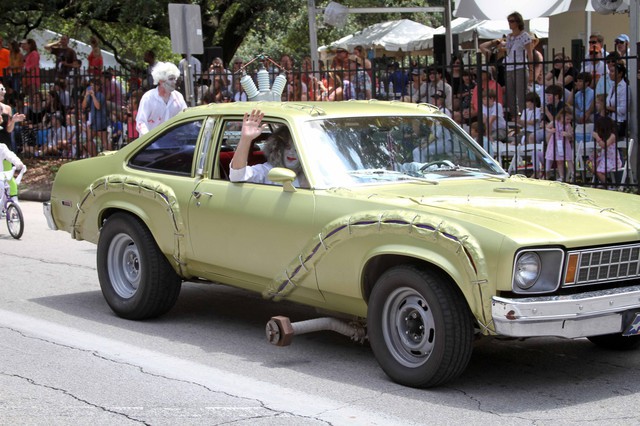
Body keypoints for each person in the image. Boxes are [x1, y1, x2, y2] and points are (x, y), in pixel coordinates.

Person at [229, 109, 307, 187]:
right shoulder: (268, 170)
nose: (291, 153)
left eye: (297, 149)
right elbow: (237, 176)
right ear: (278, 148)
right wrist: (245, 139)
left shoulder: (312, 172)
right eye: (287, 146)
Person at [136, 62, 187, 135]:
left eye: (175, 79)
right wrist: (149, 140)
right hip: (152, 144)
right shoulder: (149, 98)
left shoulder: (178, 97)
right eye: (171, 79)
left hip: (173, 142)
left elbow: (184, 118)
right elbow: (141, 122)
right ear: (161, 81)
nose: (174, 82)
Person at [503, 12, 534, 118]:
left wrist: (531, 71)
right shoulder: (509, 36)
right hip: (509, 68)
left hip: (520, 67)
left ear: (518, 22)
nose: (510, 23)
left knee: (521, 96)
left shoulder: (524, 36)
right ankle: (516, 119)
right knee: (510, 97)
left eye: (512, 21)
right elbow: (507, 51)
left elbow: (529, 54)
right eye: (509, 21)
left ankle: (524, 120)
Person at [544, 104, 574, 181]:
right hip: (555, 143)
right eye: (567, 119)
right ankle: (561, 176)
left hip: (564, 144)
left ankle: (573, 173)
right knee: (559, 160)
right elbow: (546, 127)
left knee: (568, 159)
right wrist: (551, 130)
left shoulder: (568, 125)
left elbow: (571, 134)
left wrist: (567, 134)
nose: (569, 121)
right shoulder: (555, 122)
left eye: (570, 120)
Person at [591, 115, 622, 186]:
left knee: (598, 171)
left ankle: (607, 185)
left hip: (612, 160)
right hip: (604, 158)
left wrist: (597, 137)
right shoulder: (603, 137)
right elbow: (600, 148)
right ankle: (602, 182)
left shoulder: (612, 136)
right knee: (593, 167)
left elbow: (604, 145)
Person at [82, 78, 108, 155]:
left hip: (101, 121)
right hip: (93, 121)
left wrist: (93, 96)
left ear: (98, 87)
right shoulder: (88, 94)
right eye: (91, 85)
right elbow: (83, 106)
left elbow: (98, 107)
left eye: (94, 86)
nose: (92, 87)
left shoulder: (101, 95)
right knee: (88, 140)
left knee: (104, 141)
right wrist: (86, 96)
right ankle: (94, 156)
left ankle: (109, 155)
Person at [0, 83, 26, 149]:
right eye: (2, 89)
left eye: (4, 89)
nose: (4, 91)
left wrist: (13, 121)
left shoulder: (8, 108)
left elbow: (9, 130)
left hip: (4, 143)